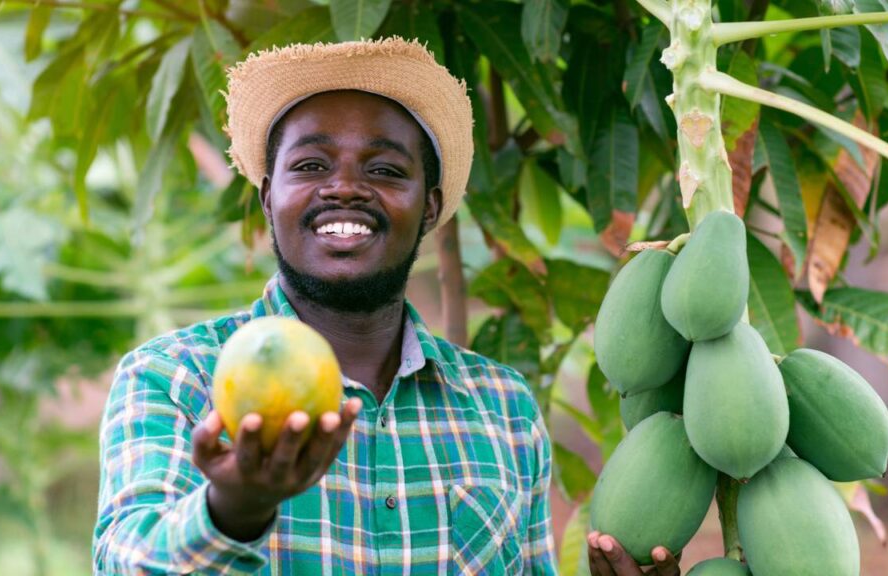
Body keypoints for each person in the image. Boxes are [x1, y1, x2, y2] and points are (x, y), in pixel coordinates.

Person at [92, 37, 679, 575]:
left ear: (429, 206)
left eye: (384, 170)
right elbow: (127, 561)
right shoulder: (177, 378)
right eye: (311, 165)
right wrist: (232, 510)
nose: (344, 187)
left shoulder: (503, 409)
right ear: (269, 196)